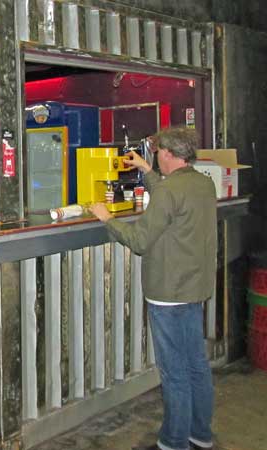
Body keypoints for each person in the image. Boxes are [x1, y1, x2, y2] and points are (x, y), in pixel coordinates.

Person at [89, 127, 217, 450]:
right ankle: (200, 433)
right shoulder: (203, 184)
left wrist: (106, 219)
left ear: (170, 155)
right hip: (195, 287)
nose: (156, 156)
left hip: (168, 292)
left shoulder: (169, 191)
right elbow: (172, 199)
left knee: (174, 371)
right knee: (196, 365)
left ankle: (174, 440)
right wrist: (146, 172)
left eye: (158, 152)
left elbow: (140, 240)